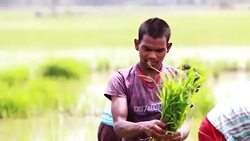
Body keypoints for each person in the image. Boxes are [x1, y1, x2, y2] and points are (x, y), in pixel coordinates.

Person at [101, 17, 190, 141]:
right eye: (147, 49)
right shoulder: (121, 79)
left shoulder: (177, 78)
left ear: (168, 47)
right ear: (137, 45)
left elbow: (185, 121)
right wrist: (144, 126)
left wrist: (180, 134)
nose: (153, 56)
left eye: (159, 50)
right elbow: (119, 125)